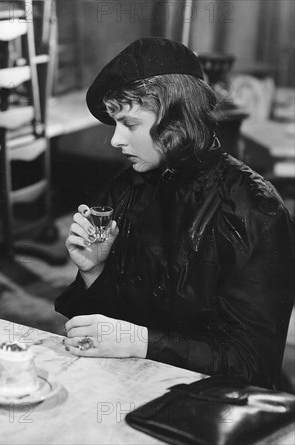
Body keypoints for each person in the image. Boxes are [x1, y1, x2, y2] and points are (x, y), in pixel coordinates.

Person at [56, 37, 294, 389]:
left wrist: (139, 342)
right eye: (114, 124)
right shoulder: (123, 189)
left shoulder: (254, 209)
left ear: (177, 121)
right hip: (131, 387)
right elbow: (106, 330)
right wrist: (95, 271)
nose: (115, 140)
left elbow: (252, 364)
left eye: (131, 125)